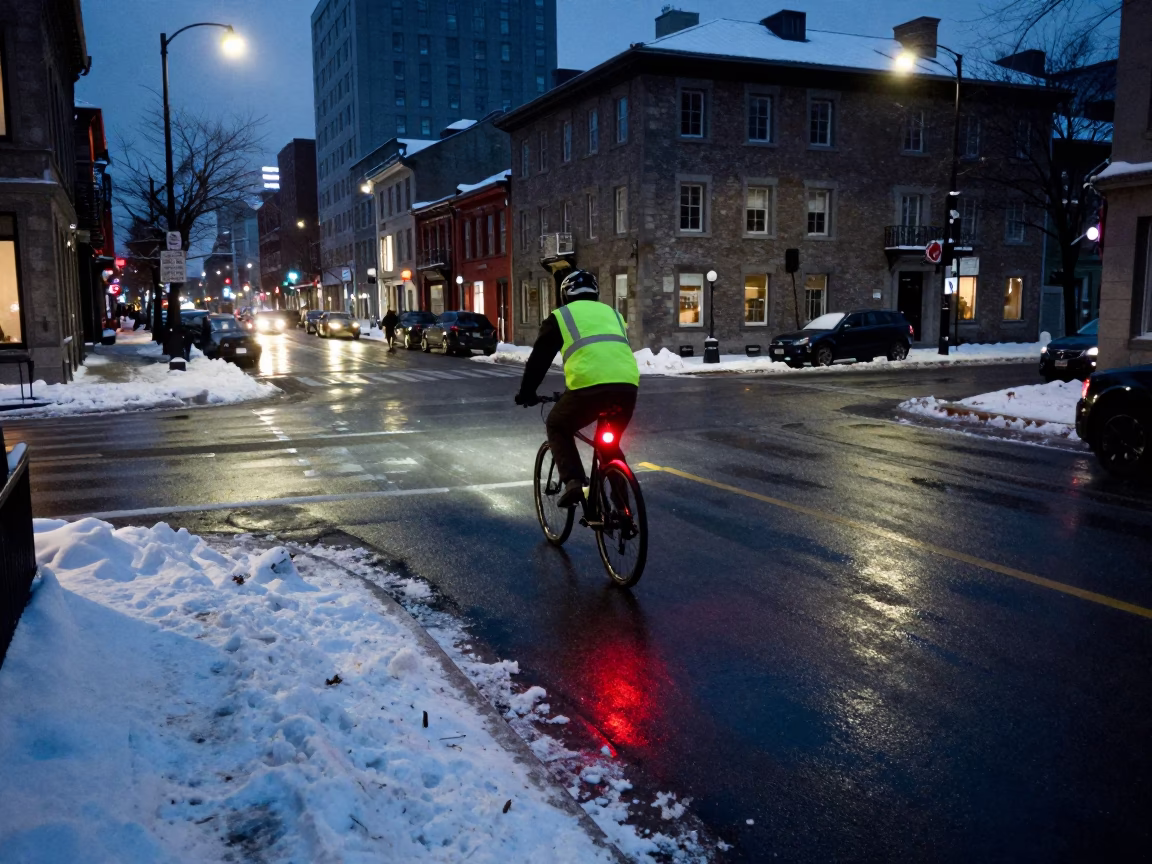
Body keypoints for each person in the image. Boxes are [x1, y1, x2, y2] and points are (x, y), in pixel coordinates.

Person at [515, 270, 640, 508]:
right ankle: (623, 507)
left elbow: (539, 360)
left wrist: (527, 393)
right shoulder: (613, 314)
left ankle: (573, 481)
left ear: (564, 295)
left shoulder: (560, 317)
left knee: (557, 424)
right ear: (596, 293)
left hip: (587, 387)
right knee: (609, 445)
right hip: (626, 386)